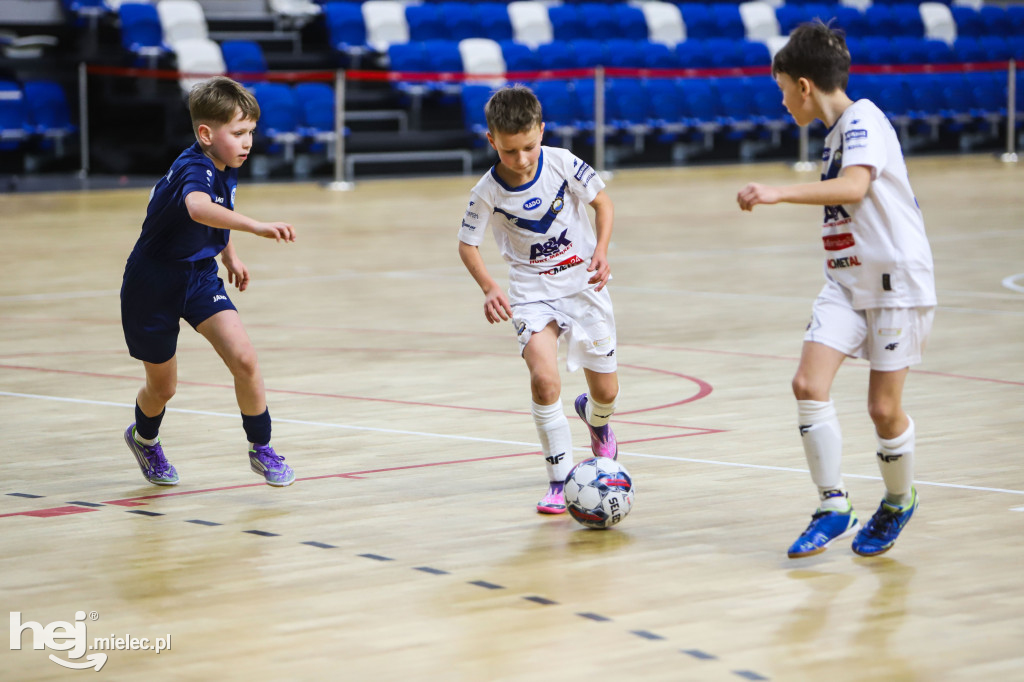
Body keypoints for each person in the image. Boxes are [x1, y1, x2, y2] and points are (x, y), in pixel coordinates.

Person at [737, 21, 936, 557]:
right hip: (846, 284)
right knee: (807, 383)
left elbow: (855, 187)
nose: (782, 103)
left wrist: (777, 192)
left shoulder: (863, 117)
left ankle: (897, 501)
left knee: (883, 410)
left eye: (782, 90)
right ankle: (833, 505)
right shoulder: (835, 136)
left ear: (804, 85)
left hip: (896, 285)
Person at [120, 76, 296, 488]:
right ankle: (144, 439)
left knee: (245, 360)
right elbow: (199, 208)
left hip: (199, 277)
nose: (248, 141)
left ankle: (261, 447)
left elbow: (219, 211)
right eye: (238, 133)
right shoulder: (194, 166)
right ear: (206, 134)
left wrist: (229, 255)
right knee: (163, 388)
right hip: (153, 282)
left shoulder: (225, 164)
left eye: (251, 131)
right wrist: (256, 227)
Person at [457, 84, 620, 515]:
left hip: (584, 288)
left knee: (606, 392)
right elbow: (467, 245)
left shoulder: (564, 162)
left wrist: (600, 251)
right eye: (510, 151)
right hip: (532, 296)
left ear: (541, 131)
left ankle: (597, 420)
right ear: (491, 141)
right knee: (544, 380)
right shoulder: (487, 192)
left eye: (529, 146)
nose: (522, 159)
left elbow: (603, 204)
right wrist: (490, 287)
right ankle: (560, 480)